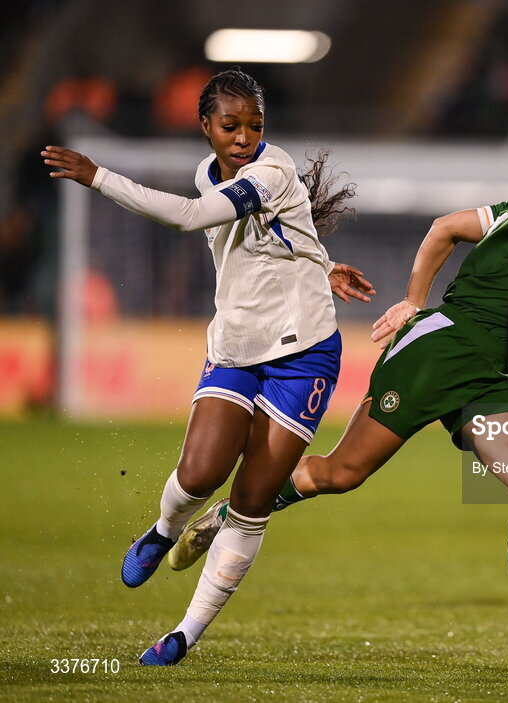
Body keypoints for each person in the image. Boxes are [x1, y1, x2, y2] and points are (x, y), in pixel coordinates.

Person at [173, 119, 508, 655]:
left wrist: (413, 300)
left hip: (487, 369)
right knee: (341, 471)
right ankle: (231, 512)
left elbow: (445, 227)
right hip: (440, 353)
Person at [41, 68, 375, 665]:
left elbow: (191, 218)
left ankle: (184, 634)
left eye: (255, 125)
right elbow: (278, 240)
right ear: (206, 127)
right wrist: (323, 263)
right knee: (199, 475)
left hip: (304, 355)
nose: (244, 137)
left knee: (251, 501)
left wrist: (99, 177)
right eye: (230, 126)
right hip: (237, 346)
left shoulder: (271, 172)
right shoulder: (206, 173)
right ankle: (164, 530)